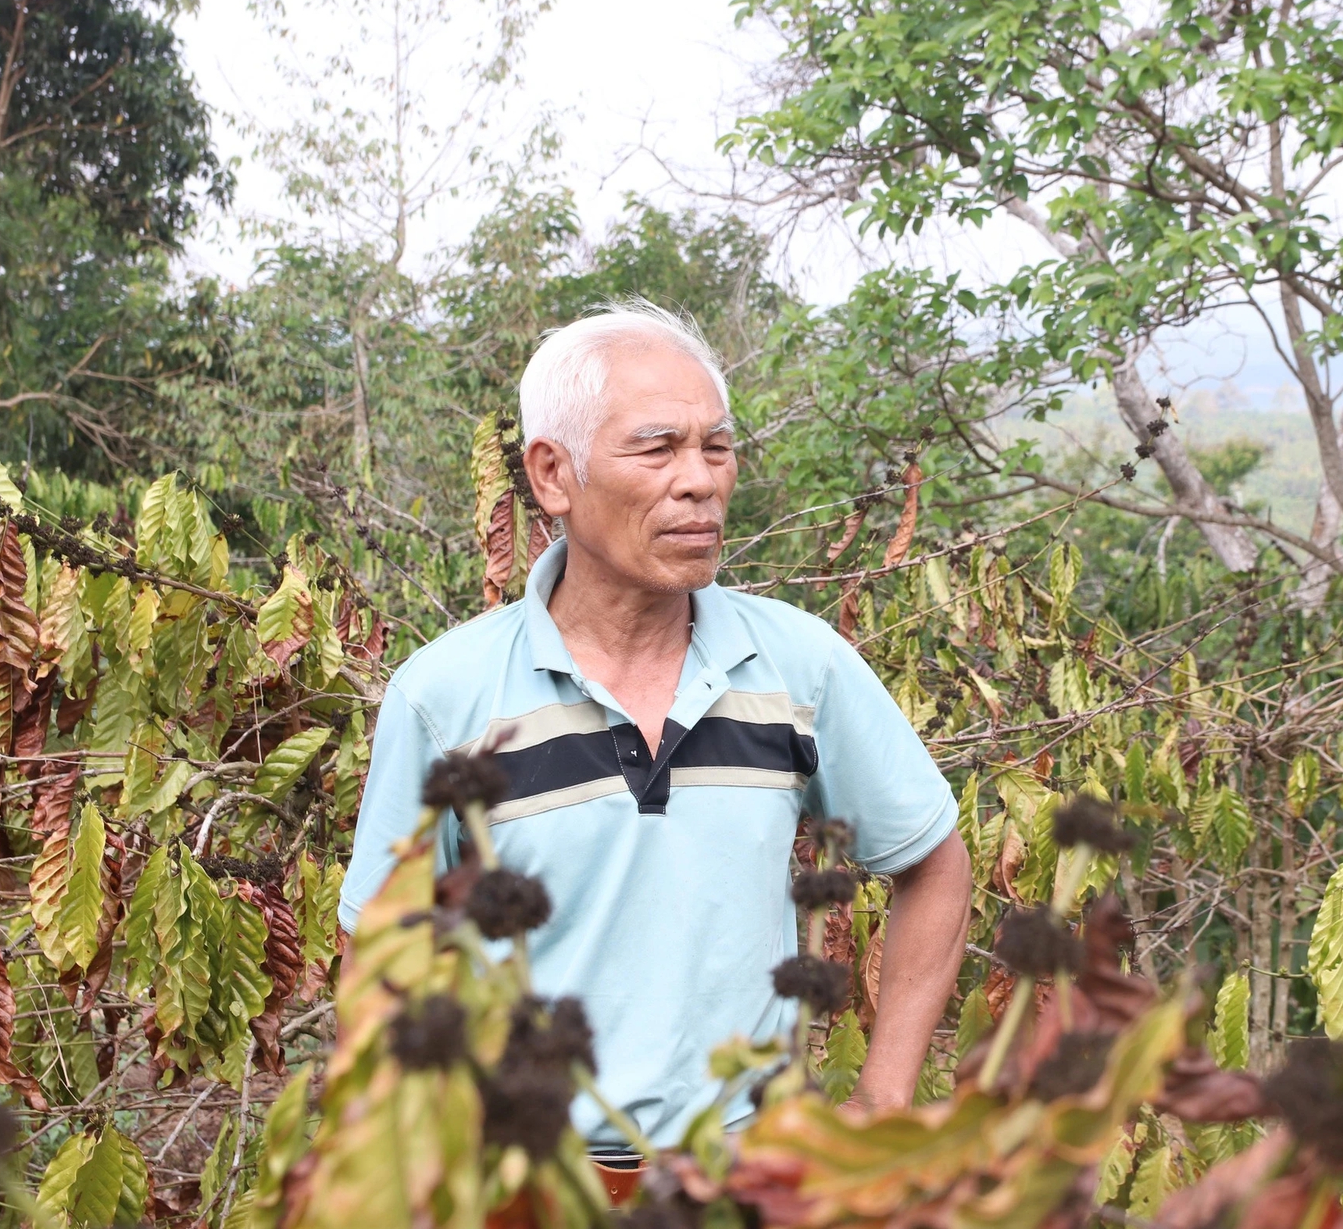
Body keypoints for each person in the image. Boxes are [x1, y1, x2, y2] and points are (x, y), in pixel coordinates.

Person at [339, 299, 972, 1157]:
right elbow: (380, 972)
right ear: (552, 474)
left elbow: (933, 861)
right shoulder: (445, 700)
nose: (701, 480)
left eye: (717, 446)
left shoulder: (798, 667)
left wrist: (886, 1094)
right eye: (658, 447)